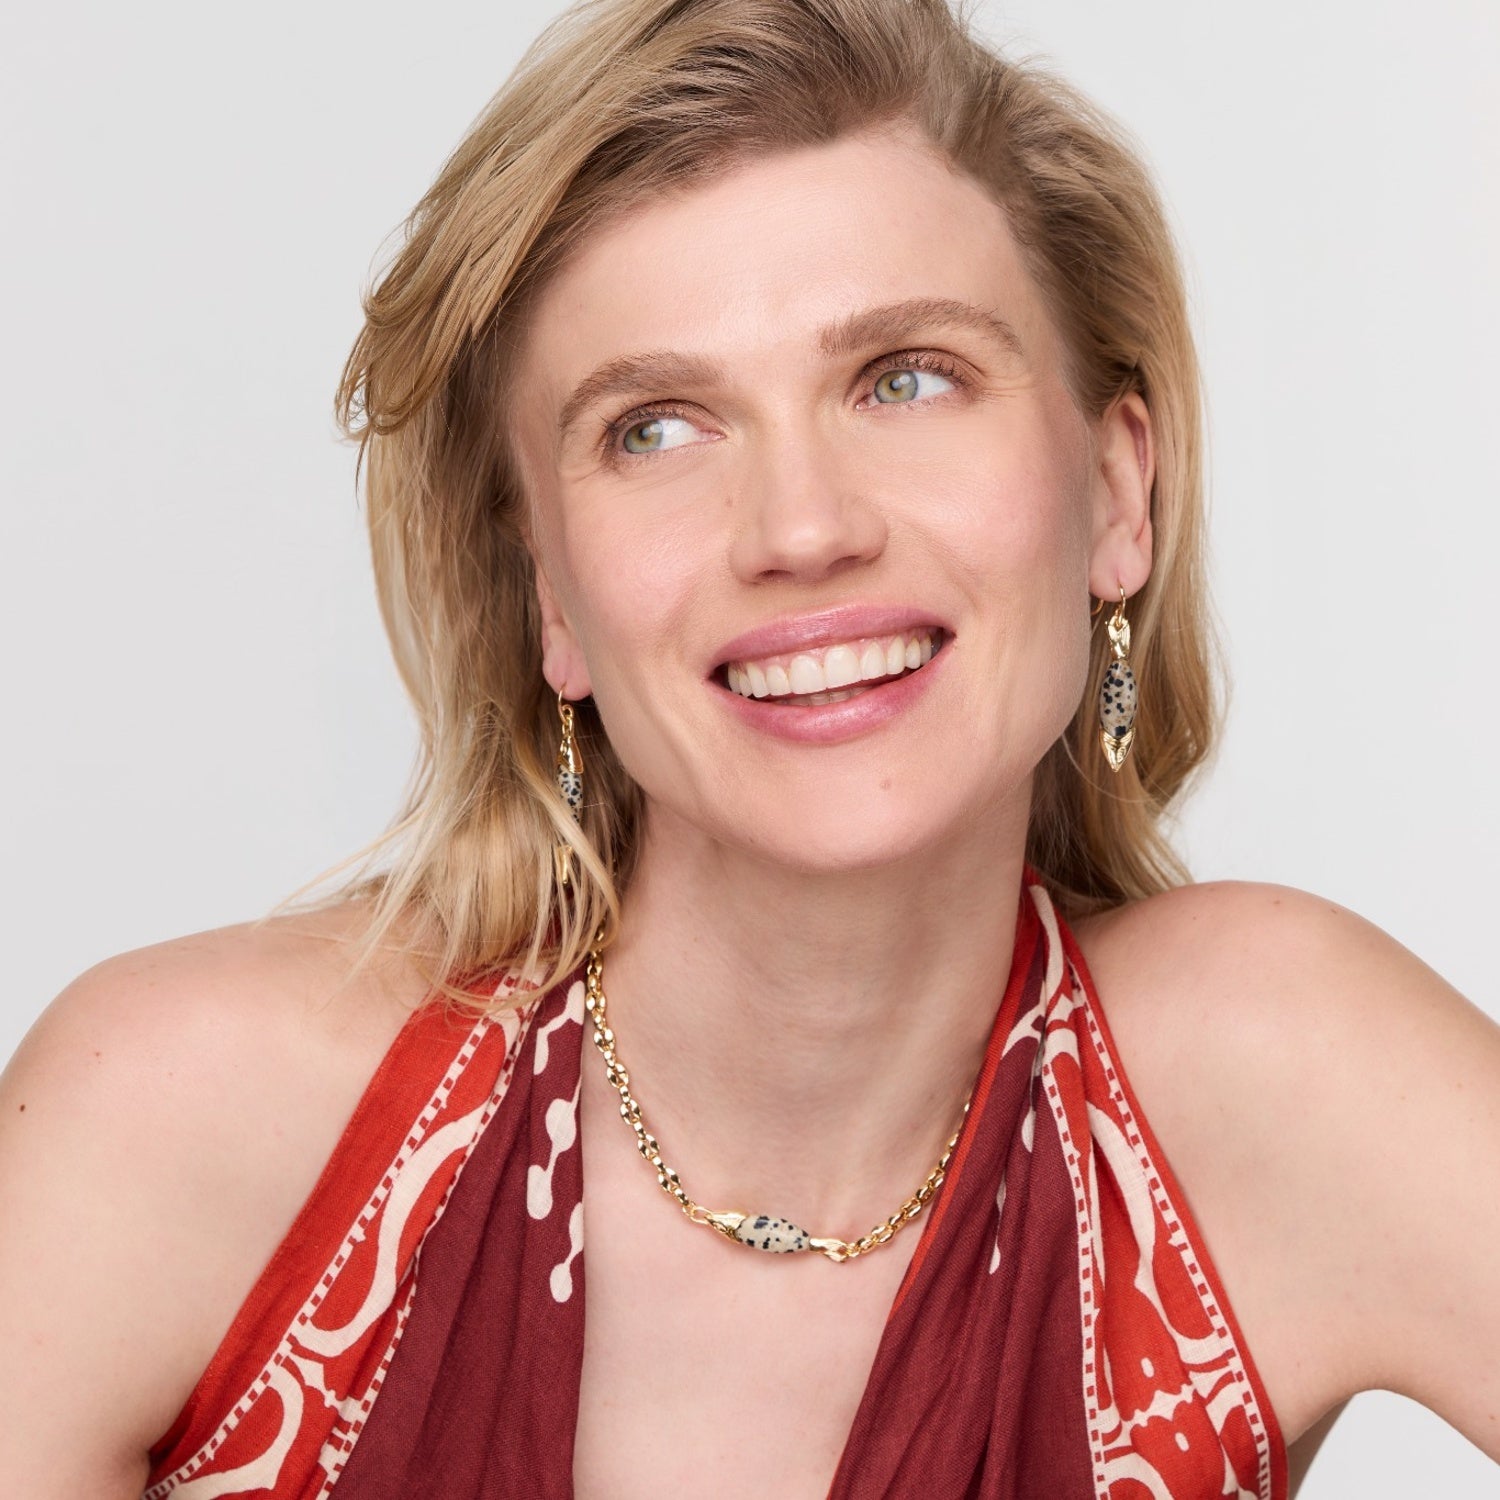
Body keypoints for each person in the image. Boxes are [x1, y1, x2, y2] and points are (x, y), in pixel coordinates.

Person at [1, 0, 1496, 1494]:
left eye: (907, 376)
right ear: (553, 604)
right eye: (656, 427)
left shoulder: (1270, 1083)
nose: (803, 528)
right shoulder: (180, 1125)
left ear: (1116, 496)